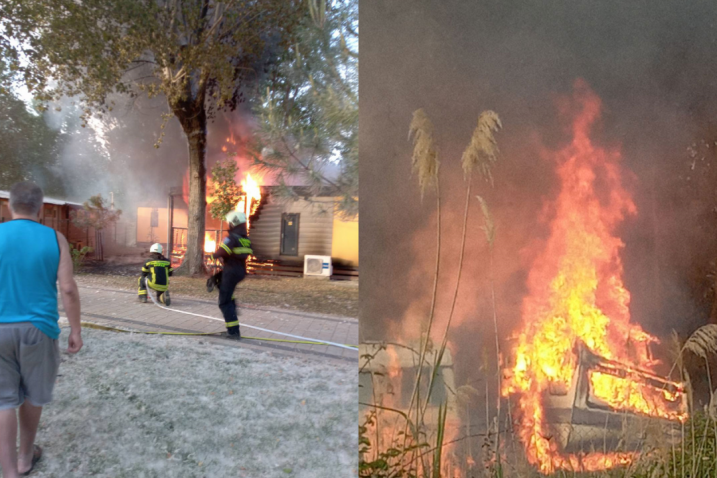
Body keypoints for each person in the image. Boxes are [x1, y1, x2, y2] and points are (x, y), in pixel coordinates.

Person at [0, 181, 83, 477]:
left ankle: (9, 471)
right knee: (34, 395)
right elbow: (68, 289)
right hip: (39, 330)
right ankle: (25, 458)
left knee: (3, 400)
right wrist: (75, 330)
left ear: (10, 205)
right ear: (40, 207)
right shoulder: (55, 238)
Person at [211, 211, 252, 339]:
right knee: (227, 294)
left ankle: (233, 331)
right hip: (240, 271)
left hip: (231, 272)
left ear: (233, 222)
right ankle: (232, 307)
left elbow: (223, 251)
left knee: (224, 302)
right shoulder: (246, 239)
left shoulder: (231, 238)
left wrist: (213, 255)